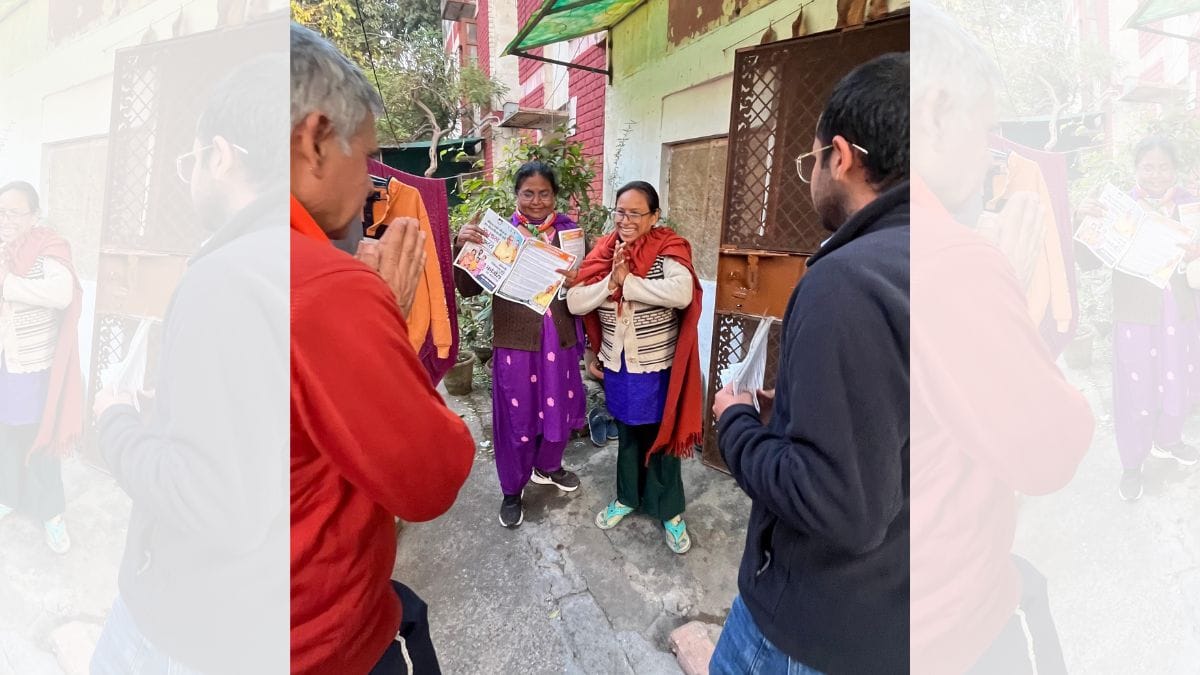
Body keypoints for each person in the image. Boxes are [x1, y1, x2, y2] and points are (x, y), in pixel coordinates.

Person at [90, 53, 291, 674]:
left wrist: (117, 422)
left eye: (189, 161)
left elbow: (215, 502)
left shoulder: (224, 279)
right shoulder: (293, 258)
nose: (191, 177)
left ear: (221, 155)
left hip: (183, 628)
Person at [710, 53, 910, 673]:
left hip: (806, 629)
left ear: (840, 156)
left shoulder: (846, 281)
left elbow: (838, 504)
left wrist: (736, 422)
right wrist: (798, 413)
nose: (811, 176)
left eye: (810, 160)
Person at [908, 4, 1093, 672]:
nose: (993, 151)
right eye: (986, 129)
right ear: (933, 112)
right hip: (948, 617)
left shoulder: (863, 233)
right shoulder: (956, 259)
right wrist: (1002, 285)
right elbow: (1050, 449)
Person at [289, 24, 474, 675]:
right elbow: (432, 475)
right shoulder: (323, 283)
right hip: (326, 640)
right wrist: (383, 319)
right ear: (314, 141)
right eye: (366, 156)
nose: (372, 181)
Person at [566, 180, 704, 555]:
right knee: (627, 435)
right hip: (619, 365)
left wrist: (630, 283)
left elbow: (682, 293)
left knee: (662, 436)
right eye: (620, 211)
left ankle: (670, 512)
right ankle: (627, 498)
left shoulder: (668, 251)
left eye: (635, 213)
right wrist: (610, 282)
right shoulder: (605, 250)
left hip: (658, 365)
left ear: (654, 216)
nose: (624, 220)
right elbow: (576, 301)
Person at [455, 161, 585, 529]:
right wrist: (462, 246)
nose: (536, 201)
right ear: (516, 195)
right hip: (517, 345)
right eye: (528, 192)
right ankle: (512, 489)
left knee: (558, 406)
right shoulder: (498, 234)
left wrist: (580, 281)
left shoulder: (568, 233)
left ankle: (548, 467)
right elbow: (467, 289)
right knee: (517, 417)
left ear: (555, 196)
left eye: (544, 193)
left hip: (558, 342)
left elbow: (583, 286)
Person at [1077, 136, 1199, 501]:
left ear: (1175, 169)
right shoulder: (1119, 208)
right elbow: (1088, 261)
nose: (1156, 175)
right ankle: (1132, 463)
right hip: (1136, 316)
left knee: (1179, 378)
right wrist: (1083, 220)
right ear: (1136, 169)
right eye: (1148, 167)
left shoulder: (1191, 206)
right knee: (1137, 388)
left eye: (1164, 167)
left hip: (1181, 312)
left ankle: (1168, 440)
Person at [0, 180, 82, 555]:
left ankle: (52, 515)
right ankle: (11, 497)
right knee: (7, 437)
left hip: (36, 369)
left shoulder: (48, 246)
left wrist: (9, 284)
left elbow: (61, 292)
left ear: (34, 215)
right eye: (2, 211)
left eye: (14, 212)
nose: (6, 219)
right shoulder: (3, 248)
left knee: (41, 441)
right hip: (6, 364)